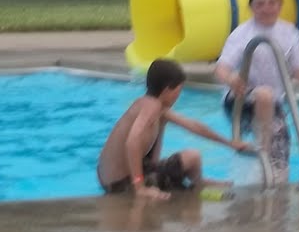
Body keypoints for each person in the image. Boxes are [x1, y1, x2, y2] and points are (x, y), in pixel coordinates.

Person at [214, 0, 299, 162]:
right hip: (240, 103)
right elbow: (221, 69)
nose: (267, 9)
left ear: (280, 5)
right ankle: (264, 153)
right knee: (265, 94)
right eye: (260, 4)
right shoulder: (242, 34)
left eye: (272, 3)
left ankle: (267, 170)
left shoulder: (289, 32)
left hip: (272, 106)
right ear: (251, 7)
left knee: (280, 162)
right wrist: (231, 79)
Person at [96, 59, 254, 200]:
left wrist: (229, 143)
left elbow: (194, 126)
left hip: (109, 178)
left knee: (165, 130)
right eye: (179, 90)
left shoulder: (149, 105)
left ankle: (195, 181)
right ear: (167, 90)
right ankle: (198, 183)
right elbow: (132, 142)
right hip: (122, 185)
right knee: (193, 157)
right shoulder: (152, 107)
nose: (179, 95)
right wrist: (140, 187)